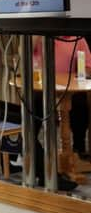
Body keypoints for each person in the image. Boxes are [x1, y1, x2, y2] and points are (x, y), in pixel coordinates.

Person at [32, 36, 91, 189]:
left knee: (79, 105)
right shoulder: (43, 38)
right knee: (36, 107)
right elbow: (28, 55)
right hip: (43, 88)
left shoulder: (78, 40)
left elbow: (89, 66)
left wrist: (82, 70)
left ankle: (77, 148)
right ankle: (42, 154)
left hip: (71, 87)